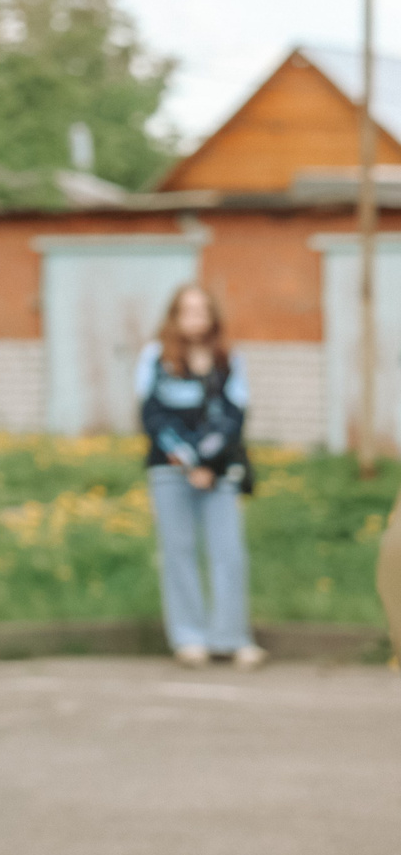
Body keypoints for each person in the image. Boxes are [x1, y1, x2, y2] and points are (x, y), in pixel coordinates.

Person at [138, 285, 262, 671]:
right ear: (174, 316)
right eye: (187, 311)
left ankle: (230, 637)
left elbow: (234, 416)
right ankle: (189, 637)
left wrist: (208, 461)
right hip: (170, 470)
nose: (195, 318)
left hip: (221, 471)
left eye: (202, 310)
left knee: (229, 552)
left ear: (212, 317)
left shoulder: (229, 360)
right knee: (178, 552)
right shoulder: (155, 359)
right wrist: (189, 462)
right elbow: (152, 416)